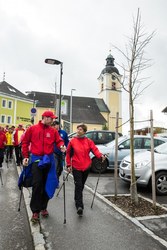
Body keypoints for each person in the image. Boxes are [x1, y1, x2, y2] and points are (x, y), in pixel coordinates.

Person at [22, 110, 66, 223]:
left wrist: (62, 146)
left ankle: (43, 207)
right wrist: (25, 156)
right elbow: (25, 142)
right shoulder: (33, 129)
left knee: (49, 183)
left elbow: (59, 141)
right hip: (36, 159)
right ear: (45, 118)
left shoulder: (53, 131)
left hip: (49, 160)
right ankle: (35, 211)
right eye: (51, 118)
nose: (53, 120)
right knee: (37, 184)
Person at [66, 123, 106, 216]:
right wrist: (68, 165)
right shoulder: (72, 141)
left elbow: (95, 150)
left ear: (84, 131)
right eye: (77, 129)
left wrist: (101, 156)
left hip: (86, 167)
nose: (78, 131)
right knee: (79, 185)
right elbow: (68, 154)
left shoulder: (89, 141)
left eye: (80, 129)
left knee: (81, 185)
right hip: (76, 167)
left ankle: (77, 197)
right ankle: (79, 206)